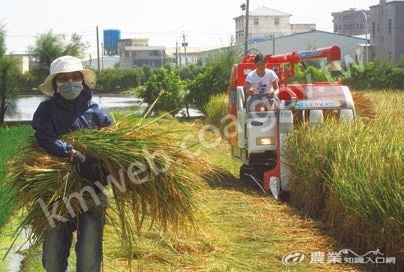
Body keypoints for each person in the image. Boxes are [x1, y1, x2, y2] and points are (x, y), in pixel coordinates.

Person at [32, 55, 112, 272]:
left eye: (74, 77)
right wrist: (69, 152)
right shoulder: (46, 110)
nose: (69, 83)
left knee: (89, 260)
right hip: (56, 195)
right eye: (63, 79)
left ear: (82, 80)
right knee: (53, 260)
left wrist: (106, 168)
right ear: (55, 83)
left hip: (92, 193)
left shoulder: (97, 111)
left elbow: (113, 148)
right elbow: (44, 136)